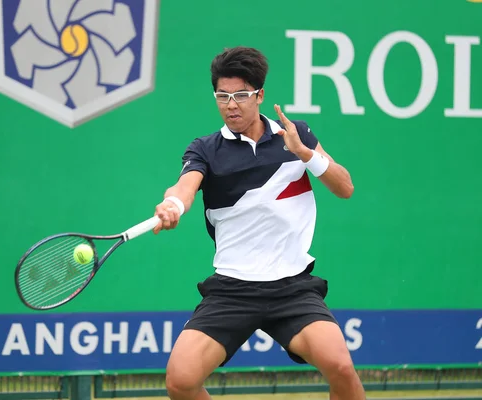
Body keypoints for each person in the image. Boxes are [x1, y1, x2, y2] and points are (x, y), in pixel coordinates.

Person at [152, 46, 365, 400]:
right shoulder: (206, 149)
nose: (230, 104)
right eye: (222, 96)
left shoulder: (295, 135)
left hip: (292, 287)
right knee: (180, 380)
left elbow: (345, 187)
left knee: (341, 366)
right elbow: (184, 187)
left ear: (259, 95)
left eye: (240, 95)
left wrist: (305, 153)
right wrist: (173, 204)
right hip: (232, 288)